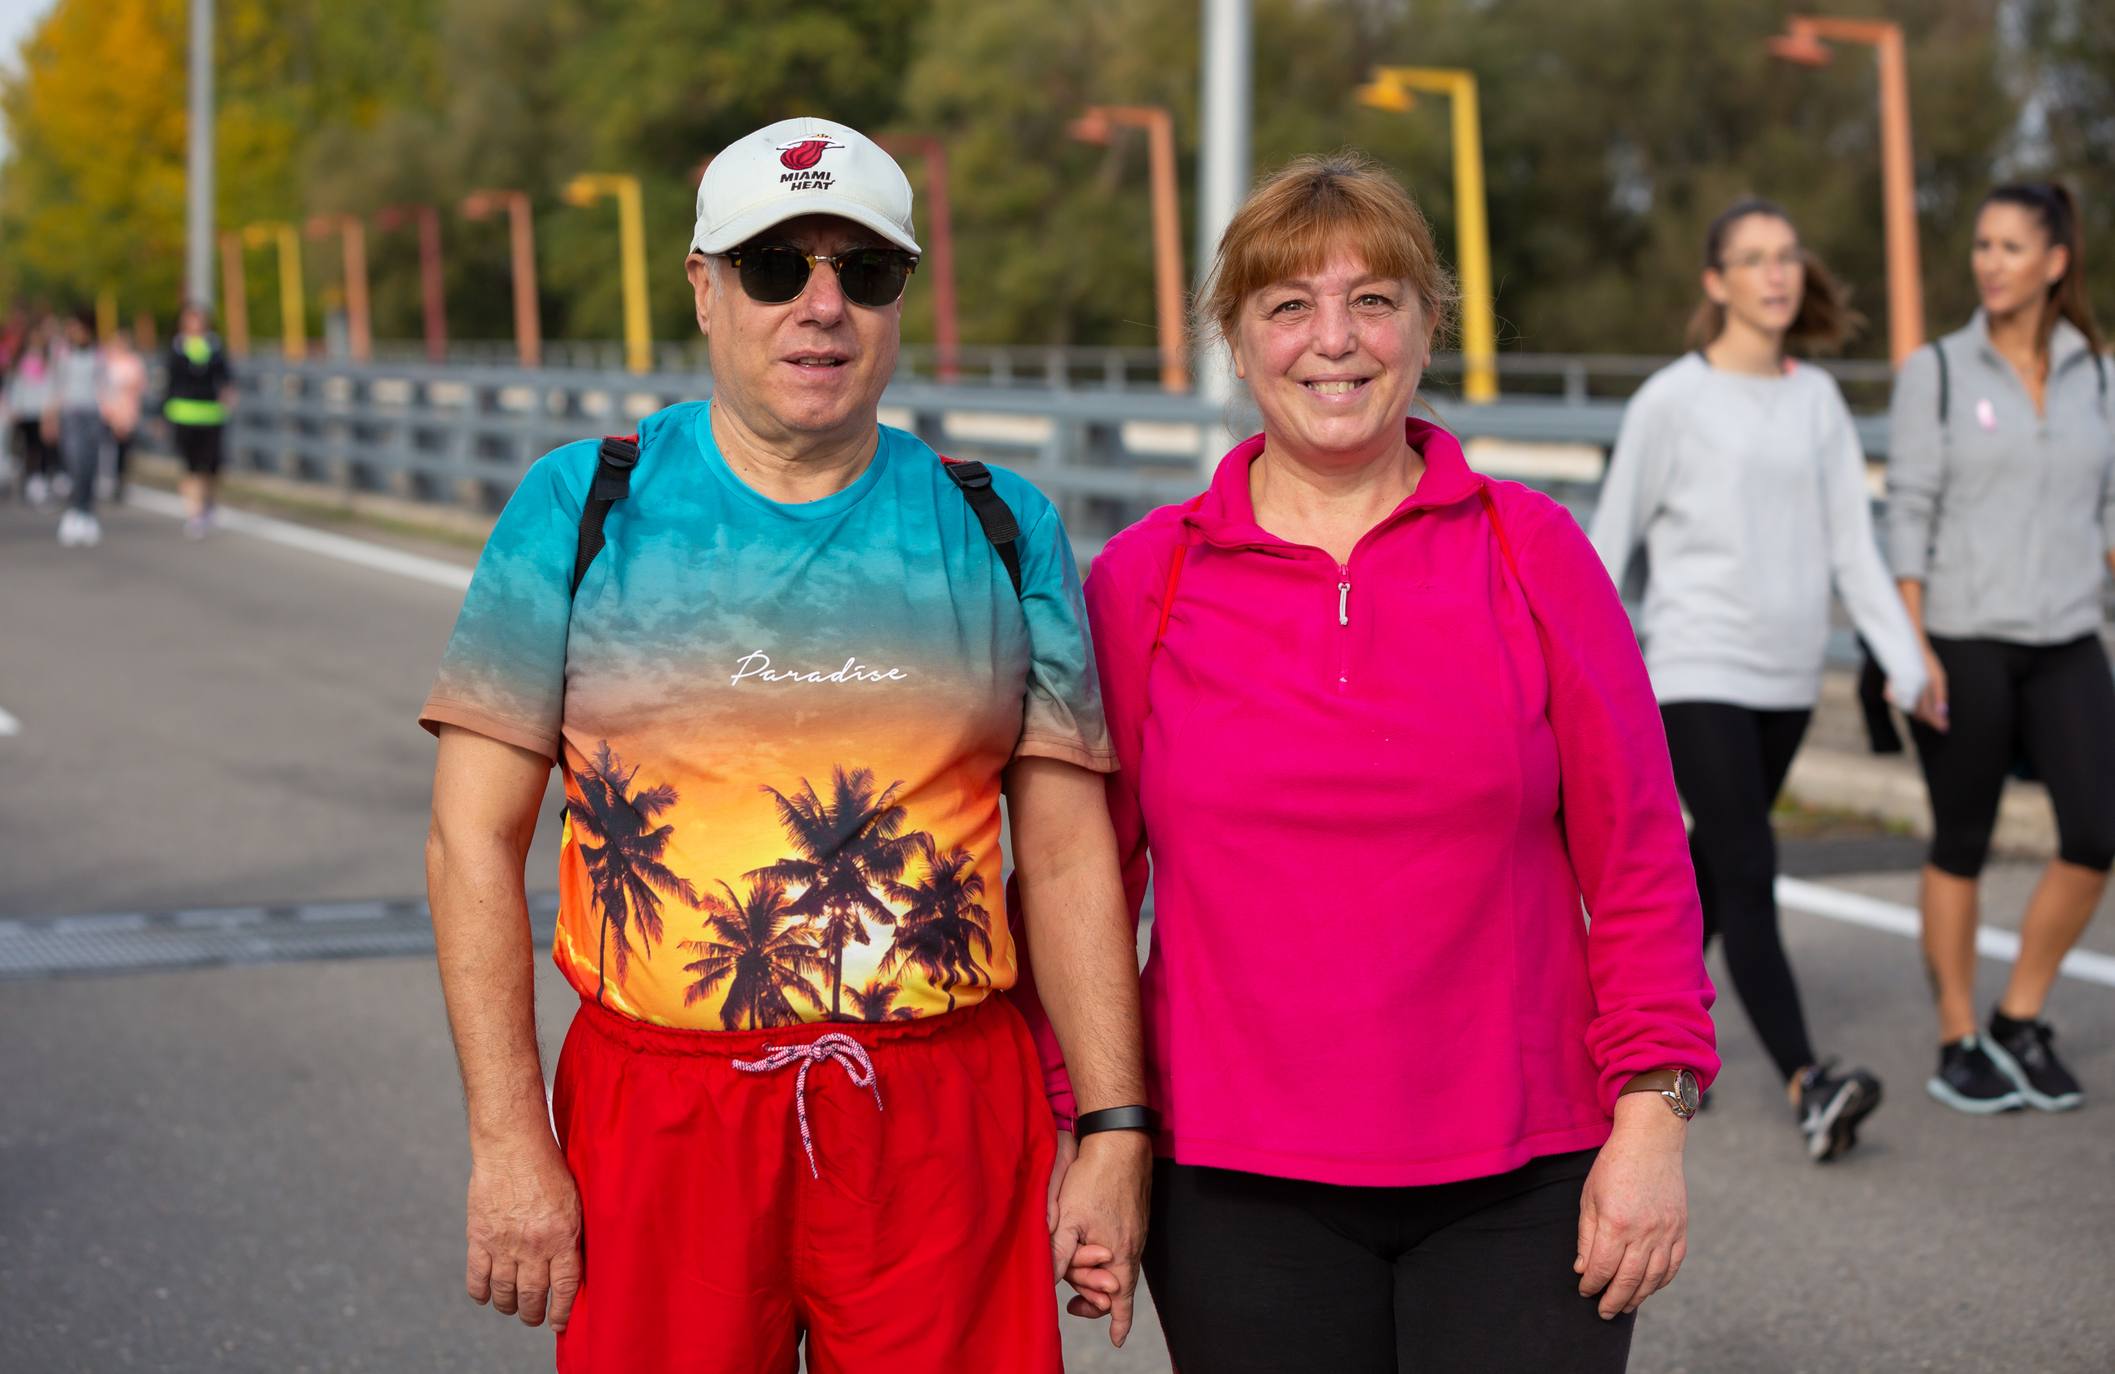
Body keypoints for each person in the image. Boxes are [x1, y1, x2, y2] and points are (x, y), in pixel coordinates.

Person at [418, 117, 1149, 1373]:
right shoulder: (581, 505)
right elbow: (468, 842)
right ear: (703, 290)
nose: (822, 307)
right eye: (776, 268)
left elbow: (1073, 858)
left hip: (940, 1114)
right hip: (661, 1111)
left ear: (900, 297)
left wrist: (1114, 1127)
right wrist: (507, 1140)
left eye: (863, 273)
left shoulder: (1002, 525)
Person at [1017, 153, 1717, 1373]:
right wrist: (1089, 1129)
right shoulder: (1144, 583)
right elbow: (1081, 884)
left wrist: (1653, 1116)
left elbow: (1642, 854)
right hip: (1233, 1187)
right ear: (1235, 341)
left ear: (1427, 324)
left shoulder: (1533, 552)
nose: (1333, 341)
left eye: (1374, 299)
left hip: (1527, 1173)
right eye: (1289, 306)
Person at [1589, 199, 1939, 1161]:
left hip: (1785, 678)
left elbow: (1851, 551)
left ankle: (1603, 1032)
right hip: (1695, 666)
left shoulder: (1815, 399)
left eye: (1787, 256)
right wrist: (1567, 677)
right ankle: (1807, 1080)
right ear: (1716, 283)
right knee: (1750, 868)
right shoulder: (1671, 400)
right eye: (1752, 259)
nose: (1776, 274)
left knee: (1711, 879)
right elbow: (1603, 548)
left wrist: (1907, 667)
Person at [1887, 180, 2115, 1115]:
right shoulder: (1936, 371)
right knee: (1963, 840)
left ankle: (2020, 1015)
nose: (1989, 262)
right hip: (1964, 640)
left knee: (2096, 834)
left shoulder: (2095, 374)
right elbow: (1907, 513)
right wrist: (1914, 647)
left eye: (2010, 247)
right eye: (1981, 245)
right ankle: (1957, 1036)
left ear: (2054, 262)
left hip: (2067, 637)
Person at [161, 303, 234, 538]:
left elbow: (226, 377)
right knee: (191, 466)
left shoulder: (214, 347)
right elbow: (168, 384)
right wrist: (161, 415)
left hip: (211, 414)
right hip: (183, 414)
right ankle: (195, 513)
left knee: (211, 466)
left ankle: (208, 503)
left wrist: (228, 396)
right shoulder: (176, 349)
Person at [48, 310, 106, 548]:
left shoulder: (98, 355)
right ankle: (74, 510)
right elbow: (55, 386)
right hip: (71, 414)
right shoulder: (62, 354)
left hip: (93, 414)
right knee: (75, 462)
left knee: (90, 464)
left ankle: (86, 512)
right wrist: (50, 415)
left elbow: (105, 385)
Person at [7, 317, 54, 506]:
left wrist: (49, 408)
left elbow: (50, 385)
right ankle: (27, 478)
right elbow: (17, 385)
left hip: (40, 410)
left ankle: (39, 479)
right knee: (26, 447)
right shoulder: (21, 360)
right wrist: (15, 406)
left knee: (40, 445)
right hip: (25, 410)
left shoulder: (46, 360)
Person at [99, 322, 148, 503]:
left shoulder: (134, 362)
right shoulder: (106, 361)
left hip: (127, 412)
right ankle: (106, 478)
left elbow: (140, 385)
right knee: (106, 448)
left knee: (123, 451)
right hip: (107, 411)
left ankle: (120, 481)